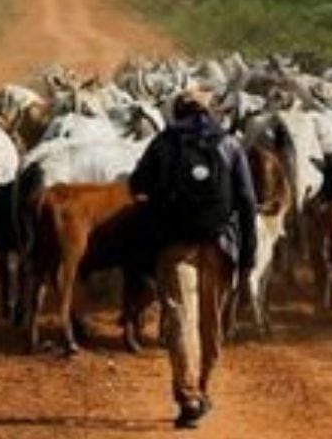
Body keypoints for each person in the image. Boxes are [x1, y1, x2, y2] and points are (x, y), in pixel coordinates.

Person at [126, 88, 257, 430]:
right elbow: (246, 200)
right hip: (221, 245)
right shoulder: (229, 144)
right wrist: (248, 255)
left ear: (178, 110)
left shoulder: (164, 143)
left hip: (175, 246)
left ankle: (189, 396)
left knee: (181, 318)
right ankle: (204, 386)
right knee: (211, 321)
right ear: (209, 110)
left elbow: (136, 184)